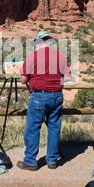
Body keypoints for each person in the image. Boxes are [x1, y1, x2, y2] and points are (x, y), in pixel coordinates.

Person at [17, 31, 72, 171]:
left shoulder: (32, 57)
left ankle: (30, 161)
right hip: (57, 96)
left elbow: (23, 79)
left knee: (33, 129)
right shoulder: (60, 56)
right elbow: (68, 77)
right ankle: (52, 160)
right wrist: (54, 82)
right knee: (54, 128)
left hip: (39, 96)